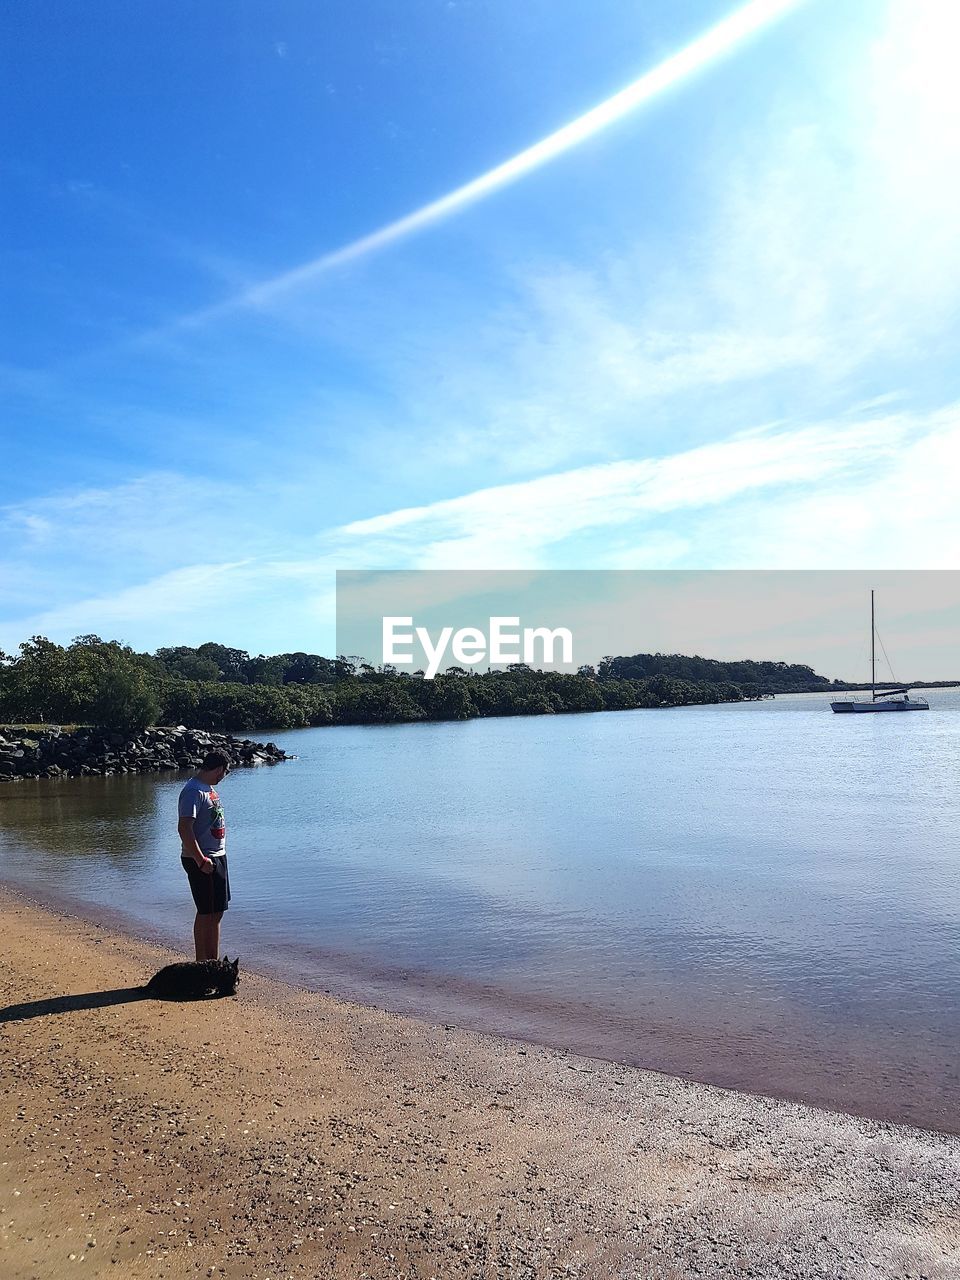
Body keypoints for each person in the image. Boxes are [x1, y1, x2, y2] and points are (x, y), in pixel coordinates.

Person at [177, 749, 231, 961]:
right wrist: (200, 860)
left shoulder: (207, 789)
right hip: (201, 859)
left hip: (217, 856)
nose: (223, 777)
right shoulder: (193, 791)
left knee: (217, 912)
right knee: (206, 912)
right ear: (218, 769)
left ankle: (213, 963)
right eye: (224, 772)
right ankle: (203, 964)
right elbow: (184, 828)